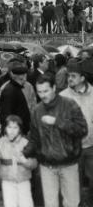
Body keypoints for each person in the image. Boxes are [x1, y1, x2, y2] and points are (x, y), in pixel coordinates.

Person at [23, 73, 88, 207]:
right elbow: (34, 139)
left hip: (69, 163)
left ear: (54, 87)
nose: (43, 95)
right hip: (47, 166)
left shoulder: (69, 104)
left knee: (72, 203)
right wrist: (23, 152)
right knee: (50, 204)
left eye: (46, 91)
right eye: (39, 92)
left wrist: (58, 122)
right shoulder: (36, 110)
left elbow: (82, 130)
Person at [60, 59, 93, 206]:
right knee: (72, 183)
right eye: (68, 76)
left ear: (82, 78)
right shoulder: (63, 96)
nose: (69, 79)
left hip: (91, 147)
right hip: (72, 148)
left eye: (73, 76)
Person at [0, 115, 37, 207]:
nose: (12, 130)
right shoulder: (1, 142)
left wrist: (25, 162)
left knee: (26, 204)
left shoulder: (26, 143)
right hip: (7, 182)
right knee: (9, 204)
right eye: (9, 127)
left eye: (15, 127)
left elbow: (34, 164)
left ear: (20, 129)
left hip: (23, 181)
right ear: (5, 128)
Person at [0, 64, 36, 135]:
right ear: (22, 77)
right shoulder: (10, 91)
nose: (26, 79)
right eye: (25, 77)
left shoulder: (16, 88)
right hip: (15, 133)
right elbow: (7, 114)